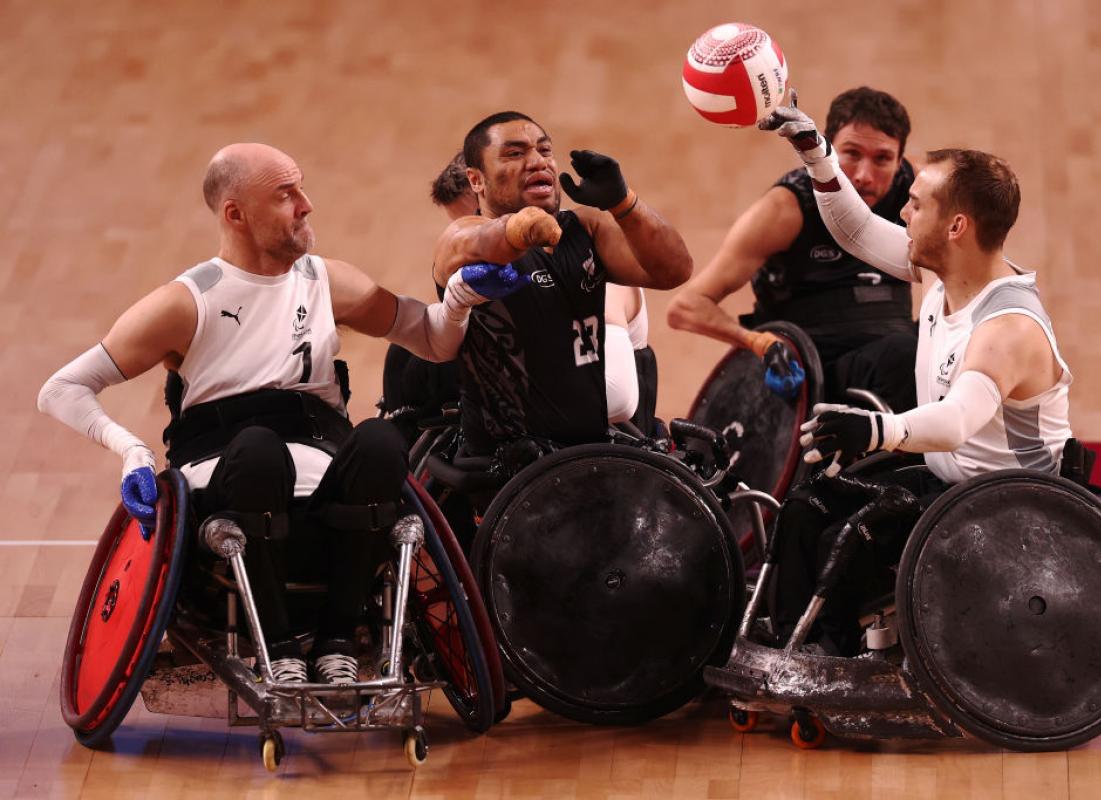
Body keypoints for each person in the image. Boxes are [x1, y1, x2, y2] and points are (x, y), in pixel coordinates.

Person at [37, 143, 525, 685]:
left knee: (385, 440)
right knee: (260, 450)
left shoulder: (326, 280)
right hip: (229, 474)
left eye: (301, 188)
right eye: (285, 194)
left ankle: (339, 638)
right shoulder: (186, 302)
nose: (306, 204)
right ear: (235, 214)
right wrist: (132, 452)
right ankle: (279, 643)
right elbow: (63, 387)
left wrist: (458, 299)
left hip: (323, 479)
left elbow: (433, 339)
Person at [757, 93, 1073, 654]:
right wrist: (814, 152)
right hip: (946, 487)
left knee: (846, 539)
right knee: (807, 508)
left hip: (1007, 508)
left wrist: (876, 431)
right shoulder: (944, 274)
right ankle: (790, 651)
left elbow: (957, 421)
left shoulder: (1008, 328)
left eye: (916, 204)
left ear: (955, 226)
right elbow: (853, 232)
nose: (902, 209)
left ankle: (828, 660)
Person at [432, 112, 692, 458]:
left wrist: (624, 202)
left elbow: (675, 270)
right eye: (515, 153)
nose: (537, 161)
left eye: (544, 150)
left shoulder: (586, 230)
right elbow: (485, 238)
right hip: (504, 469)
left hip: (587, 456)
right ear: (476, 180)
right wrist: (527, 223)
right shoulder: (461, 235)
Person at [667, 86, 919, 412]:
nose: (864, 176)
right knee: (905, 355)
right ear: (826, 146)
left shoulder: (921, 193)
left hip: (896, 357)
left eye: (883, 159)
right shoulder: (785, 209)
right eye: (852, 153)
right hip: (812, 372)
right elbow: (686, 307)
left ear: (900, 161)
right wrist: (758, 342)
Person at [384, 152, 658, 433]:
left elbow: (617, 397)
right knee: (409, 356)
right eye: (460, 232)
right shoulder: (489, 279)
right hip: (525, 447)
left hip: (606, 451)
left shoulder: (588, 258)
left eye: (479, 224)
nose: (470, 243)